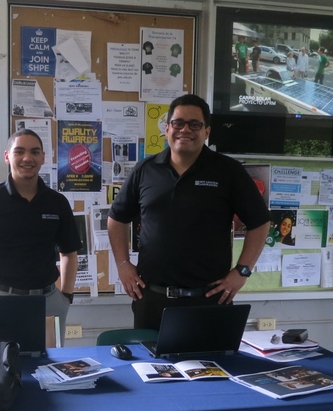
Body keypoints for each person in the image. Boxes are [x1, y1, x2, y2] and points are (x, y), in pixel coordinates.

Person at [107, 94, 271, 330]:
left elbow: (260, 222)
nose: (185, 129)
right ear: (167, 128)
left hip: (209, 300)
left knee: (213, 367)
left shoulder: (228, 171)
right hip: (152, 299)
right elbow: (116, 219)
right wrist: (123, 265)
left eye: (195, 124)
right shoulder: (145, 170)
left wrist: (242, 271)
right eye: (178, 123)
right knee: (152, 367)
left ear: (207, 132)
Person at [0, 129, 82, 341]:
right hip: (1, 300)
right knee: (2, 367)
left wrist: (66, 297)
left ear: (43, 157)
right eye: (19, 152)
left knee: (49, 367)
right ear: (7, 156)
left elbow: (69, 252)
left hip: (49, 301)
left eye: (35, 152)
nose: (28, 158)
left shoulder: (57, 202)